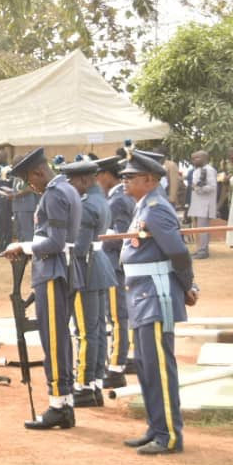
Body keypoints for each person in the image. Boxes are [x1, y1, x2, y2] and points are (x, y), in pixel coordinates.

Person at [119, 151, 198, 454]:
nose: (125, 180)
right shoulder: (144, 206)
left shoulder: (155, 210)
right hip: (141, 295)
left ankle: (170, 437)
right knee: (146, 367)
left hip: (155, 296)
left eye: (130, 176)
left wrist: (189, 286)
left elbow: (178, 254)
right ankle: (156, 428)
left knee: (160, 369)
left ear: (149, 180)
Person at [4, 148, 82, 430]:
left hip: (52, 271)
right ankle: (66, 401)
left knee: (53, 340)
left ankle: (58, 404)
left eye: (29, 180)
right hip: (61, 270)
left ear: (38, 172)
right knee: (60, 338)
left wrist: (22, 246)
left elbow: (55, 242)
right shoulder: (67, 189)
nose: (30, 186)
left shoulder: (54, 194)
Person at [62, 159, 113, 407]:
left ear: (84, 180)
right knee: (97, 329)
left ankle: (82, 385)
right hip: (100, 264)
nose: (70, 186)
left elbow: (79, 248)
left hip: (86, 268)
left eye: (71, 181)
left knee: (84, 332)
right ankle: (94, 383)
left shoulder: (85, 205)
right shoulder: (100, 199)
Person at [96, 156, 135, 389]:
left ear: (107, 175)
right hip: (113, 264)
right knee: (117, 316)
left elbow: (120, 236)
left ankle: (117, 367)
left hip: (113, 265)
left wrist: (98, 238)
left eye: (99, 175)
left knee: (118, 317)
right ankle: (119, 362)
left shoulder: (118, 200)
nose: (97, 180)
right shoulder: (116, 197)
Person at [188, 151, 217, 259]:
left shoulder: (209, 170)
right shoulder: (198, 170)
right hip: (198, 203)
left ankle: (203, 251)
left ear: (204, 158)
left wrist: (198, 189)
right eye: (193, 158)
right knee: (200, 228)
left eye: (196, 158)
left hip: (205, 204)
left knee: (203, 228)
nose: (193, 160)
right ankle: (200, 249)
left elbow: (212, 187)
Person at [11, 176, 39, 243]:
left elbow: (30, 188)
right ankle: (22, 250)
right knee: (19, 231)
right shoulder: (16, 177)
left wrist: (15, 195)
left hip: (26, 207)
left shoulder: (27, 175)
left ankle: (28, 251)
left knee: (27, 231)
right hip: (17, 207)